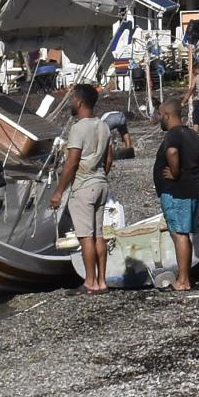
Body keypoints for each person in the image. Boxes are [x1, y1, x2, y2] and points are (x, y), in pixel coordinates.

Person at [50, 84, 116, 294]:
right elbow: (109, 158)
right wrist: (100, 174)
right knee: (98, 235)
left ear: (79, 102)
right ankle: (102, 282)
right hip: (101, 183)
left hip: (84, 186)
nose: (71, 103)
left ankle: (90, 281)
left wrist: (59, 191)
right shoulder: (103, 126)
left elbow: (71, 163)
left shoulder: (78, 128)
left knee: (86, 236)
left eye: (72, 99)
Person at [152, 97, 199, 292]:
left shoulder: (173, 135)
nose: (159, 119)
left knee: (179, 234)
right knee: (182, 233)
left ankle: (183, 281)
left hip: (177, 192)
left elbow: (172, 152)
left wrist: (175, 172)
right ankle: (184, 278)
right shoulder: (192, 133)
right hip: (191, 189)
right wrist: (196, 170)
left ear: (167, 115)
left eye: (159, 115)